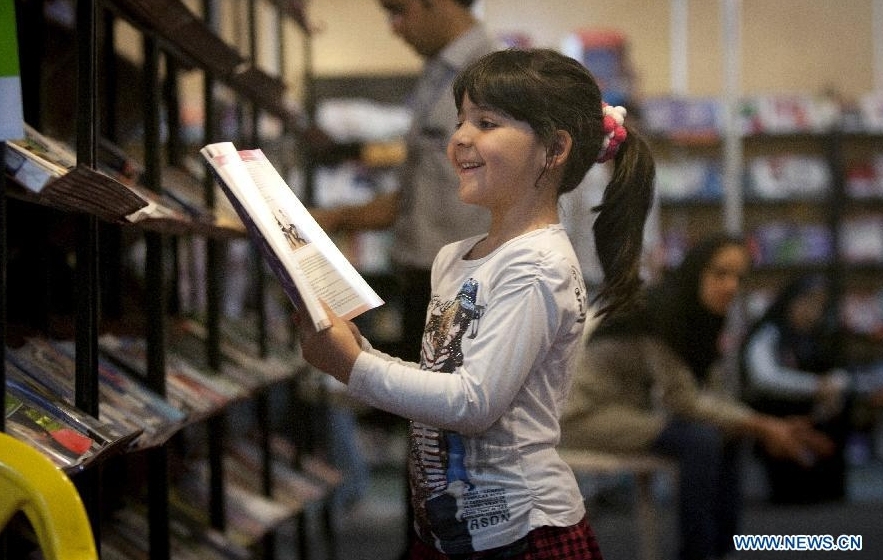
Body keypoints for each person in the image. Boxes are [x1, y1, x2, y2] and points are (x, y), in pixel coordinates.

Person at [297, 47, 657, 559]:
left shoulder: (538, 267)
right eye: (462, 120)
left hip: (525, 536)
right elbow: (442, 377)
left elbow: (472, 403)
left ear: (554, 150)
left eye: (486, 123)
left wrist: (354, 367)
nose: (461, 137)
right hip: (451, 532)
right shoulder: (455, 259)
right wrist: (359, 353)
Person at [560, 233, 835, 560]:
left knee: (727, 432)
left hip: (625, 410)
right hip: (583, 415)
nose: (732, 285)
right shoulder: (662, 312)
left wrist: (760, 424)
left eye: (738, 277)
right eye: (720, 274)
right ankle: (697, 553)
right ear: (696, 271)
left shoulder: (697, 315)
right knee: (700, 440)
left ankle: (720, 548)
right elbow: (684, 400)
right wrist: (763, 425)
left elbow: (710, 394)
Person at [312, 0, 499, 363]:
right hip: (430, 281)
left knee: (444, 408)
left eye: (399, 11)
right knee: (424, 409)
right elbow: (416, 194)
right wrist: (332, 219)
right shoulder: (438, 74)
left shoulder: (492, 75)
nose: (394, 27)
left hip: (467, 285)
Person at [740, 274, 883, 504]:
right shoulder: (770, 333)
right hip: (777, 411)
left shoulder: (816, 337)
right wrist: (816, 387)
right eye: (806, 302)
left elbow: (839, 372)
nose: (812, 311)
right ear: (791, 301)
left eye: (818, 305)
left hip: (816, 411)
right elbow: (764, 378)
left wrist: (834, 385)